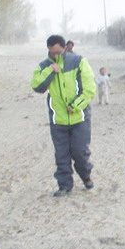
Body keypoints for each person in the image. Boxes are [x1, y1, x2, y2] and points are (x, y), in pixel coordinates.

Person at [31, 35, 96, 196]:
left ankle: (86, 175)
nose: (56, 55)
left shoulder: (79, 61)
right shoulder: (44, 66)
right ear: (48, 50)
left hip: (79, 117)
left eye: (59, 52)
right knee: (61, 154)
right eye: (53, 53)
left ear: (65, 48)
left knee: (80, 152)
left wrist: (76, 105)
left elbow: (89, 89)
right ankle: (65, 186)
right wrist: (50, 71)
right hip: (57, 119)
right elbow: (37, 86)